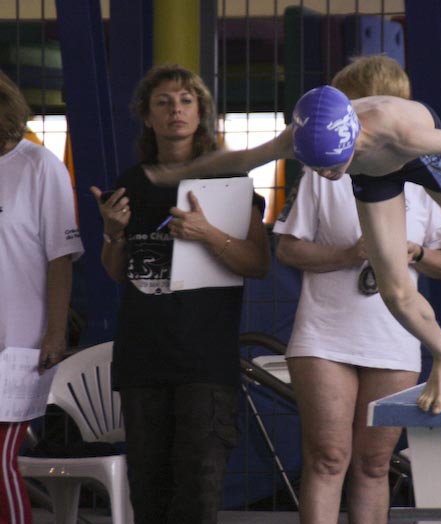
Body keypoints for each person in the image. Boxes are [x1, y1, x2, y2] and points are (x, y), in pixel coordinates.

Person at [146, 74, 441, 415]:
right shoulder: (299, 138)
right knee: (393, 289)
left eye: (333, 166)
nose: (328, 176)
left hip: (411, 156)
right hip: (375, 173)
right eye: (319, 168)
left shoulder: (404, 131)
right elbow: (239, 160)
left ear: (352, 141)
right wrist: (174, 172)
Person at [274, 55, 441, 524]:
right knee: (328, 458)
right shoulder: (323, 169)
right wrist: (351, 253)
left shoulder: (425, 172)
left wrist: (415, 252)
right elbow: (288, 249)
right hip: (325, 334)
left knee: (375, 464)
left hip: (393, 335)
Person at [90, 64, 270, 524]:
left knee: (197, 494)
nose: (176, 110)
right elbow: (118, 272)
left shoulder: (230, 179)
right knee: (149, 495)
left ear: (201, 112)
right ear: (147, 116)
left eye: (186, 101)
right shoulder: (132, 181)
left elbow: (258, 263)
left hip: (204, 360)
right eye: (164, 102)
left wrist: (208, 234)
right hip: (142, 358)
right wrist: (112, 233)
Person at [0, 71, 84, 524]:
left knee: (0, 459)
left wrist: (54, 332)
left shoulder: (39, 165)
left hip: (20, 341)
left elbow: (60, 257)